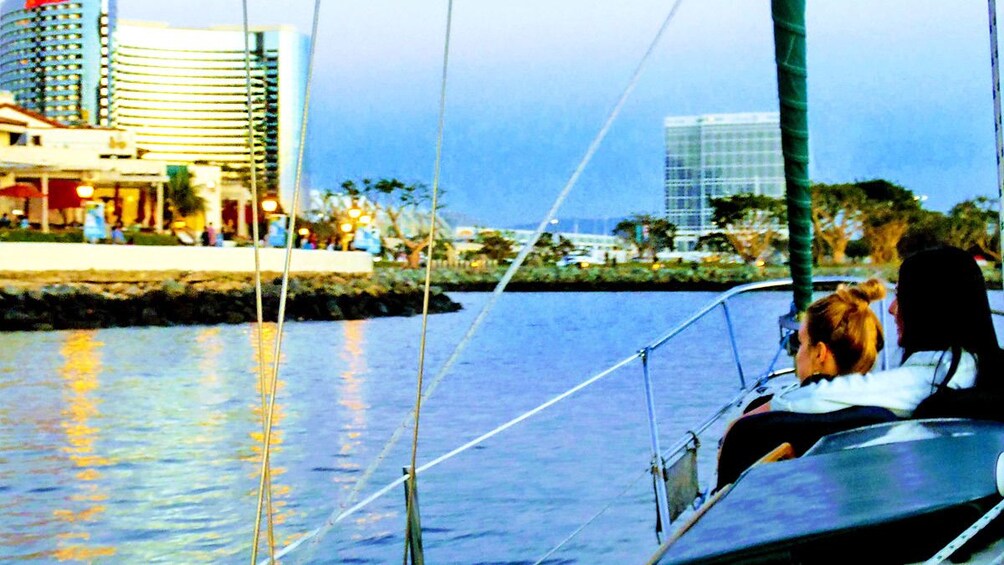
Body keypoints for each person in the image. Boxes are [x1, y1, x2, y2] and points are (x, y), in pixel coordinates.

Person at [771, 246, 1001, 418]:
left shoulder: (930, 378)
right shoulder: (980, 367)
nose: (891, 309)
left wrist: (770, 403)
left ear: (931, 306)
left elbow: (811, 397)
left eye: (901, 297)